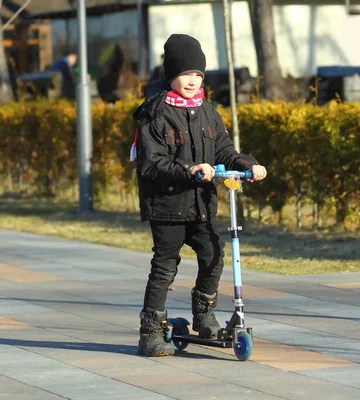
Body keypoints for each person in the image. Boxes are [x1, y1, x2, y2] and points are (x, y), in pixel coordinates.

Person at [132, 34, 267, 357]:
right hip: (167, 203)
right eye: (185, 74)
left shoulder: (208, 112)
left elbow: (224, 149)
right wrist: (189, 169)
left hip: (201, 204)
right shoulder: (156, 112)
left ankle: (204, 313)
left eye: (197, 75)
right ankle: (150, 331)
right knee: (165, 264)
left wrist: (248, 164)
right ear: (171, 75)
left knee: (214, 255)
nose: (192, 81)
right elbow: (151, 163)